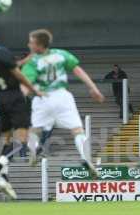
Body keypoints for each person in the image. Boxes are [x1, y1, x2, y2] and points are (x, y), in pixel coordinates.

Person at [22, 29, 104, 176]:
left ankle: (33, 150)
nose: (28, 44)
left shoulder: (32, 62)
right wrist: (93, 88)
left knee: (35, 130)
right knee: (78, 130)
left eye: (31, 42)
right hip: (62, 97)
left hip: (42, 98)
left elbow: (26, 85)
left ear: (39, 45)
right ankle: (86, 158)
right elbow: (78, 71)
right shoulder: (61, 54)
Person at [0, 26, 41, 200]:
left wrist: (28, 58)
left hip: (0, 98)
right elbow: (16, 73)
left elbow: (8, 66)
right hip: (14, 97)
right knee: (23, 140)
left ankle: (3, 176)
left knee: (6, 140)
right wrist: (33, 89)